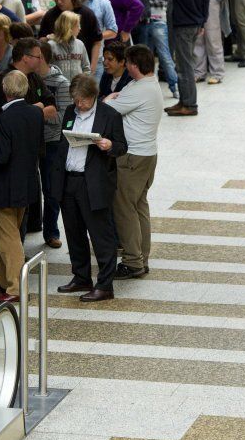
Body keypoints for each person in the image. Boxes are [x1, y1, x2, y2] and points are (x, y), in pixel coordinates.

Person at [52, 74, 127, 302]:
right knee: (74, 233)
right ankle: (81, 276)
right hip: (69, 180)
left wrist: (109, 145)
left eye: (82, 100)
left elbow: (122, 146)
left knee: (100, 235)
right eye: (75, 100)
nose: (78, 104)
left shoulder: (109, 115)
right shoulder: (69, 113)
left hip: (93, 182)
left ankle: (105, 285)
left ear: (93, 96)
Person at [0, 71, 44, 302]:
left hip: (2, 190)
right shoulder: (36, 113)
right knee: (13, 234)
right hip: (25, 185)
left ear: (4, 91)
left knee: (9, 240)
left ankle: (15, 288)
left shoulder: (4, 119)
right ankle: (2, 279)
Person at [104, 46, 162, 278]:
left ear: (134, 65)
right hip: (147, 155)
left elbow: (107, 109)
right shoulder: (149, 85)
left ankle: (133, 262)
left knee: (125, 209)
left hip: (132, 158)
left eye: (127, 63)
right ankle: (141, 258)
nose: (125, 66)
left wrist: (108, 97)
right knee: (139, 207)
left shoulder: (139, 90)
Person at [159, 0, 209, 116]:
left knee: (184, 65)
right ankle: (184, 100)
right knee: (184, 63)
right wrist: (203, 20)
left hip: (183, 26)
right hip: (195, 23)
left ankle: (189, 104)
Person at [37, 47, 71, 248]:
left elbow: (64, 117)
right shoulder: (28, 80)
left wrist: (35, 115)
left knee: (51, 189)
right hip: (30, 141)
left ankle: (51, 232)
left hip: (52, 143)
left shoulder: (61, 84)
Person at [40, 0, 103, 76]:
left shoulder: (87, 14)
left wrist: (92, 68)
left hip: (81, 67)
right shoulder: (50, 15)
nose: (59, 2)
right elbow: (41, 42)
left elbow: (97, 42)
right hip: (57, 70)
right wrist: (50, 38)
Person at [0, 37, 58, 123]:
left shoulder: (35, 78)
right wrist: (40, 106)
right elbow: (10, 115)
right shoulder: (3, 79)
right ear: (26, 58)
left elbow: (52, 109)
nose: (41, 60)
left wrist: (27, 112)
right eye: (39, 57)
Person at [143, 0, 179, 99]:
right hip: (143, 20)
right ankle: (149, 89)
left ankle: (175, 86)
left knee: (164, 55)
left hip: (159, 18)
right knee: (146, 56)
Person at [48, 10, 91, 82]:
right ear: (68, 27)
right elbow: (47, 70)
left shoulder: (80, 44)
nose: (80, 28)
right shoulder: (51, 45)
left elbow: (86, 68)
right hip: (58, 89)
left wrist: (83, 84)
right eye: (77, 25)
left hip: (77, 89)